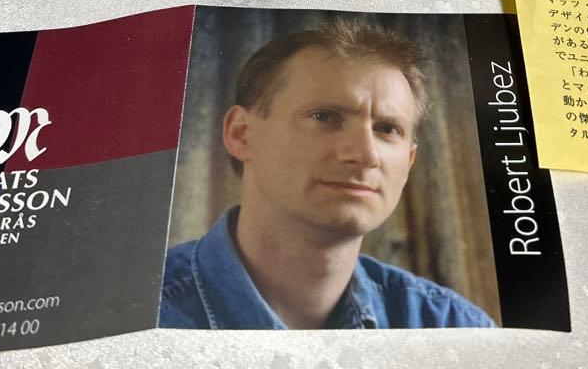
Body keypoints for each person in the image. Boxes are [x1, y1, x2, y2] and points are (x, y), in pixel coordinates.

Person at [160, 20, 494, 330]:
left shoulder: (458, 328)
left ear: (408, 163)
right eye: (324, 117)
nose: (366, 155)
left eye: (387, 129)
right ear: (241, 134)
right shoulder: (144, 313)